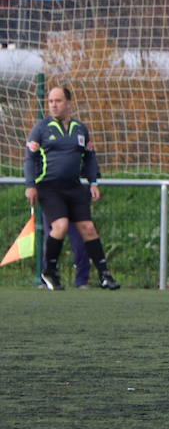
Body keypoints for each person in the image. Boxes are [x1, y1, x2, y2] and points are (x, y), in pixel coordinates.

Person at [23, 85, 120, 291]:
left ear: (69, 103)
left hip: (75, 187)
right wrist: (30, 185)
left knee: (88, 228)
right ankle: (49, 272)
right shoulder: (41, 128)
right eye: (50, 101)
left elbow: (90, 157)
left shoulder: (80, 129)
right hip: (49, 187)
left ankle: (104, 275)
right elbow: (30, 160)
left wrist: (93, 182)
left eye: (58, 101)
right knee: (61, 226)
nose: (54, 105)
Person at [43, 217, 90, 287]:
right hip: (52, 208)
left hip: (74, 209)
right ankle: (48, 277)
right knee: (51, 241)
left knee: (79, 242)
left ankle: (82, 280)